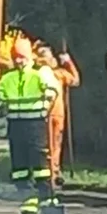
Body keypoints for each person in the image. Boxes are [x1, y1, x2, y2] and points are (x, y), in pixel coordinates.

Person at [0, 34, 60, 214]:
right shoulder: (8, 78)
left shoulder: (41, 72)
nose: (19, 61)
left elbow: (52, 91)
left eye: (22, 57)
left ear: (30, 56)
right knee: (21, 173)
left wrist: (45, 99)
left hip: (36, 126)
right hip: (16, 127)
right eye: (16, 57)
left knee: (42, 172)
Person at [35, 41, 80, 186]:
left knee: (56, 145)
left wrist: (68, 62)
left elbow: (75, 80)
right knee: (47, 145)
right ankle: (47, 172)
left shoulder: (59, 74)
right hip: (42, 113)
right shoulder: (37, 73)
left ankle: (54, 171)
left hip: (57, 114)